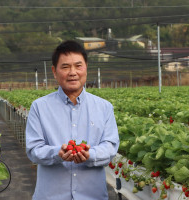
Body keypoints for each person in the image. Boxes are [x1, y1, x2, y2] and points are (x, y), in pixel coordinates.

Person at [26, 40, 120, 200]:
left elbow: (111, 146)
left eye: (78, 66)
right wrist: (57, 153)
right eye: (65, 67)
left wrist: (91, 154)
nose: (72, 72)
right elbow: (33, 150)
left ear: (86, 68)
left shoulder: (104, 107)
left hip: (93, 196)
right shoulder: (39, 107)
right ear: (54, 72)